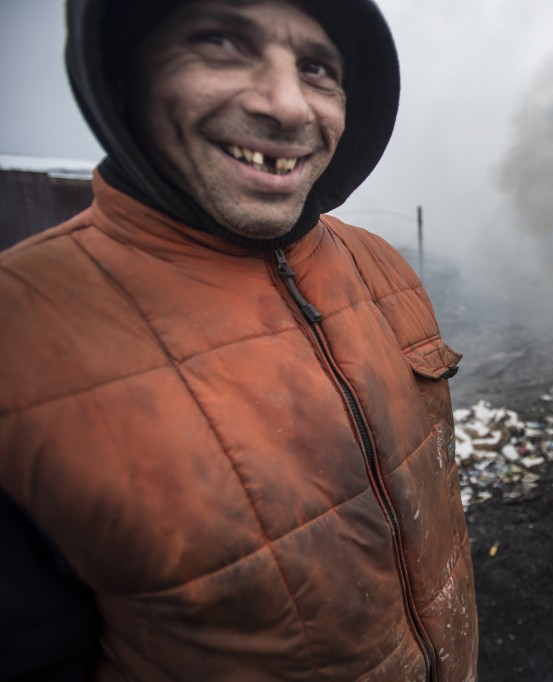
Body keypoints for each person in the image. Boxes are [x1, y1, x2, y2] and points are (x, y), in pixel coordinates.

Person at [0, 0, 478, 679]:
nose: (288, 105)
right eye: (221, 42)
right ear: (122, 78)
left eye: (316, 68)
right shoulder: (20, 334)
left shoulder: (383, 267)